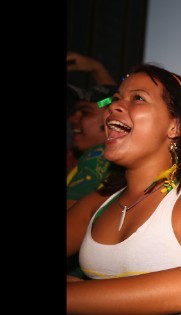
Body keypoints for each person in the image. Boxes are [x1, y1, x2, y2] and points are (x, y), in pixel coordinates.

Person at [66, 64, 181, 315]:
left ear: (175, 127)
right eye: (116, 99)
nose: (113, 106)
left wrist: (79, 294)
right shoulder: (98, 202)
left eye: (138, 98)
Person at [67, 52, 118, 210]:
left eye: (85, 112)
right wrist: (97, 69)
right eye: (76, 112)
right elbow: (110, 100)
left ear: (111, 122)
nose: (72, 119)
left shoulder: (97, 158)